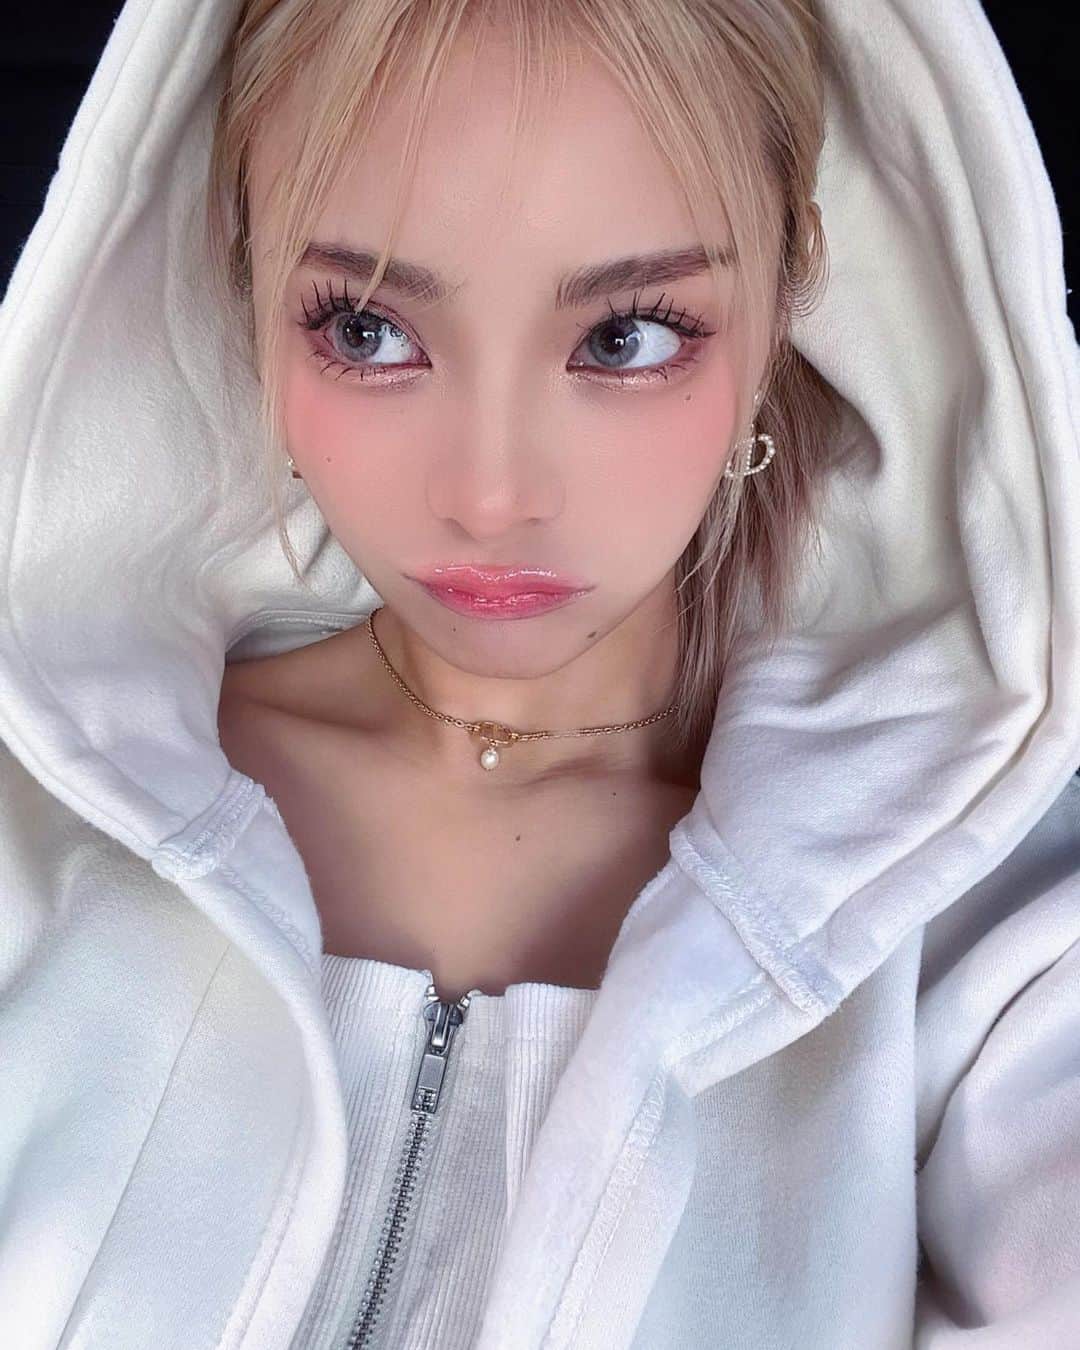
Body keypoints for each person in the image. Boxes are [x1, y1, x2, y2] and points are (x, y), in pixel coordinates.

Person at [0, 0, 1078, 1345]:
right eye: (367, 329)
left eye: (625, 336)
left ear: (787, 291)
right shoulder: (35, 818)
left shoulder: (986, 929)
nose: (491, 493)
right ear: (244, 284)